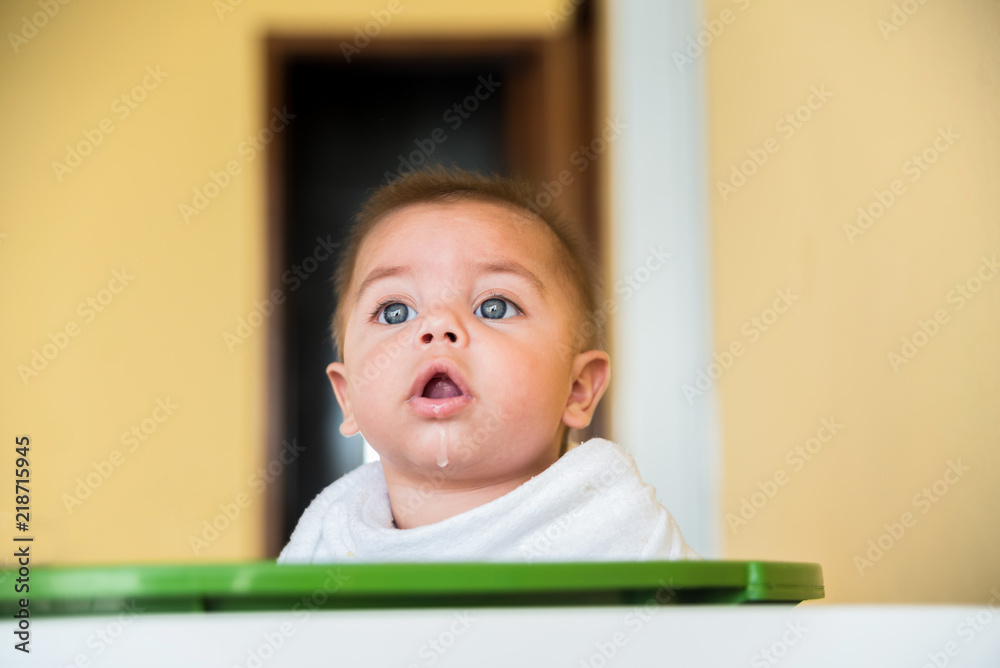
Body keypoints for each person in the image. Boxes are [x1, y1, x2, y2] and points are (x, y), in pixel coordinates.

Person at [278, 166, 697, 563]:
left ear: (578, 389)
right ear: (348, 397)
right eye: (394, 312)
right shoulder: (331, 541)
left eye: (494, 306)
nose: (438, 327)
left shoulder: (614, 527)